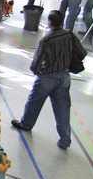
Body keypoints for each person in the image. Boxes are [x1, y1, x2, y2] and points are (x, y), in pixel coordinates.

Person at [11, 10, 87, 149]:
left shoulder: (46, 40)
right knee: (63, 108)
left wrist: (36, 71)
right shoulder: (69, 34)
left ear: (50, 22)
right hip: (64, 76)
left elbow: (37, 62)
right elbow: (82, 52)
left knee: (34, 102)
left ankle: (26, 124)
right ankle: (65, 140)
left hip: (47, 77)